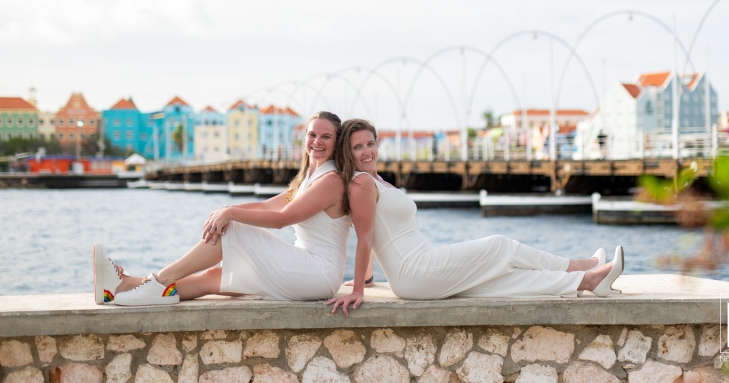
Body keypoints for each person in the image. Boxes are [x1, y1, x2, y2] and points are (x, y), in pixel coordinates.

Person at [327, 119, 624, 316]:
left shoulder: (377, 181)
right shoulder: (361, 183)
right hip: (414, 271)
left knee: (504, 280)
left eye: (370, 143)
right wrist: (356, 291)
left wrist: (365, 279)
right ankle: (579, 265)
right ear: (348, 152)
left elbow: (375, 231)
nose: (366, 151)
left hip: (421, 265)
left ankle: (587, 281)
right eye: (357, 146)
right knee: (500, 246)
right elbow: (364, 235)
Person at [93, 111, 349, 306]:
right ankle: (122, 288)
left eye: (326, 136)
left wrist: (230, 215)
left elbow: (282, 219)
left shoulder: (331, 181)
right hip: (306, 268)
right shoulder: (309, 178)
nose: (317, 141)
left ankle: (157, 282)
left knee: (232, 227)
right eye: (312, 134)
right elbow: (265, 205)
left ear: (336, 143)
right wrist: (226, 208)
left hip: (318, 273)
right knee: (215, 277)